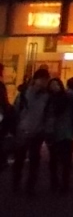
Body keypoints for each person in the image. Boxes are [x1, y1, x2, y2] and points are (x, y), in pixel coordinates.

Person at [11, 67, 51, 195]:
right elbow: (16, 111)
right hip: (23, 131)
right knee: (19, 160)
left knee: (34, 161)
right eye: (42, 80)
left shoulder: (47, 96)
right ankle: (16, 184)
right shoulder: (24, 94)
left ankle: (30, 186)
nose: (44, 83)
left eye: (46, 80)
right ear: (35, 80)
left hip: (37, 132)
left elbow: (47, 114)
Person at [44, 78, 73, 195]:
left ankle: (63, 184)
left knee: (64, 161)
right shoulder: (49, 99)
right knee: (55, 160)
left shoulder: (67, 98)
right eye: (52, 85)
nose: (54, 87)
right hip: (56, 132)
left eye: (56, 85)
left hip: (66, 133)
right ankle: (56, 183)